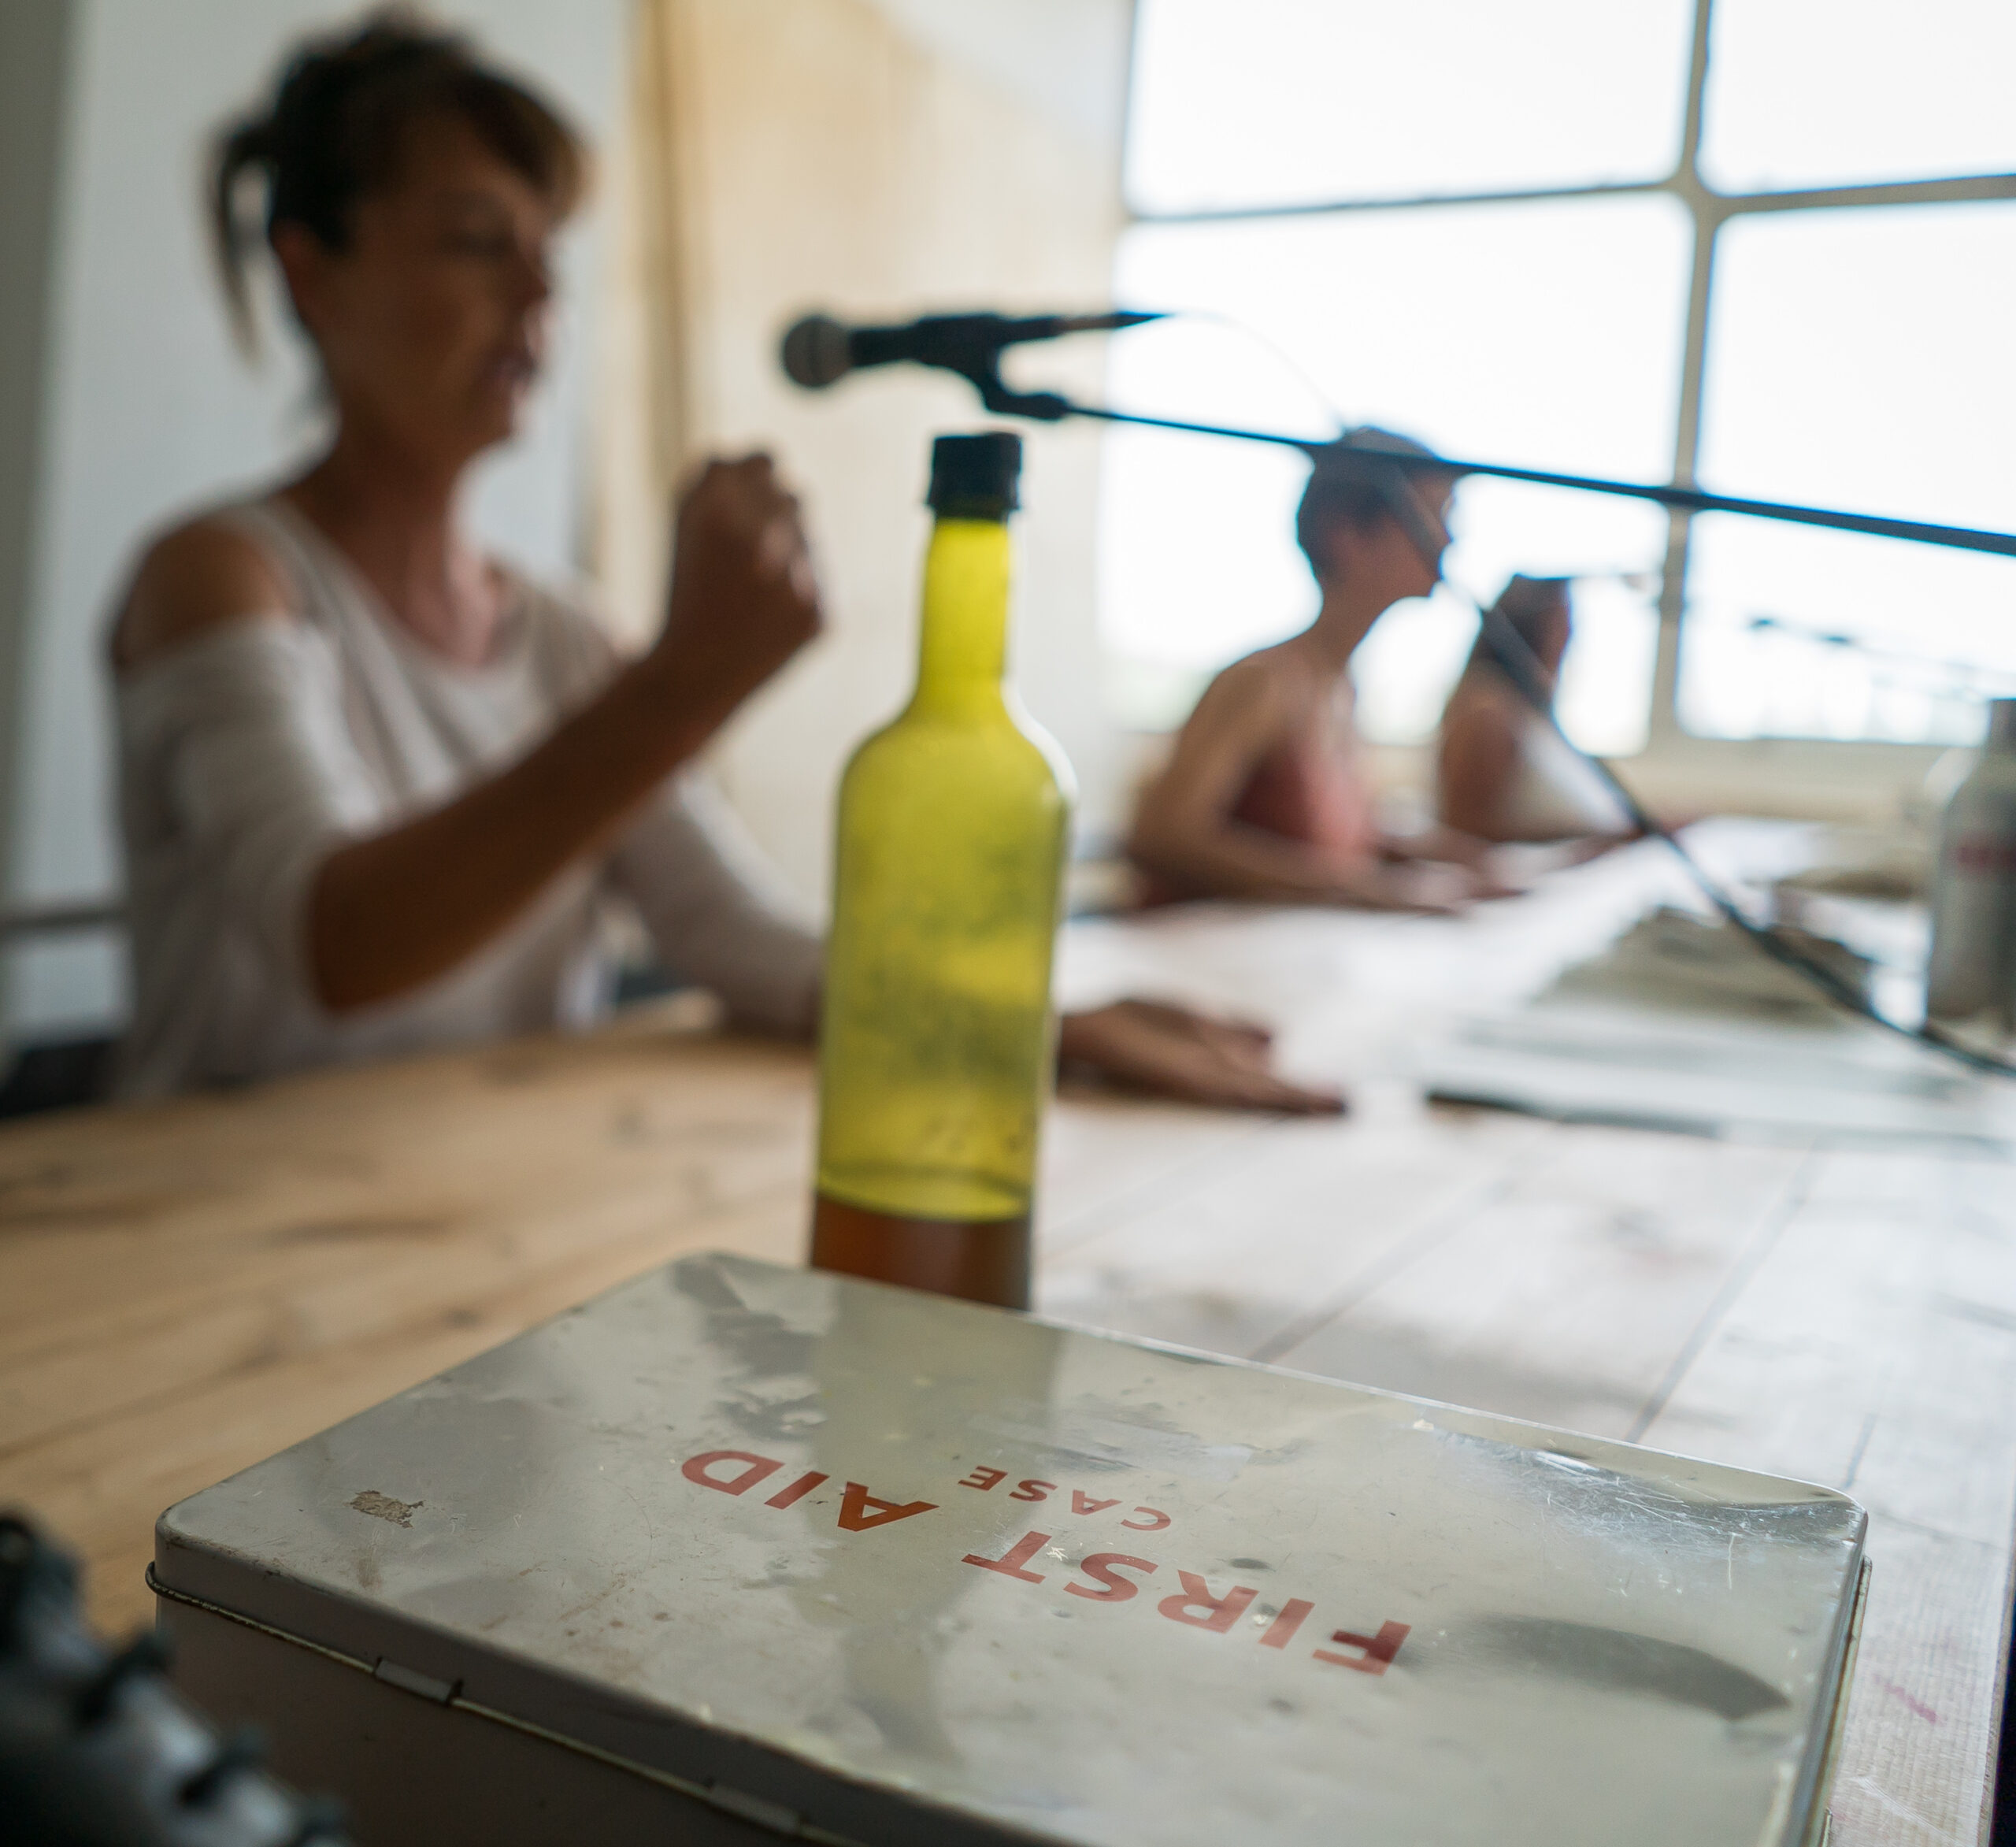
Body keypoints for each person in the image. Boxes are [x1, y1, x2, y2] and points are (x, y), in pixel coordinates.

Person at [108, 16, 1340, 1117]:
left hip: (468, 1206)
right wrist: (682, 683)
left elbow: (733, 931)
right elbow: (339, 945)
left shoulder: (560, 633)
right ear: (308, 271)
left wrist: (1030, 1022)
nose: (540, 291)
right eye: (477, 241)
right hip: (201, 1242)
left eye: (552, 253)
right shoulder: (220, 576)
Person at [1126, 434, 1499, 909]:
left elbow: (1337, 840)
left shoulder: (1341, 684)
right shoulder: (1262, 682)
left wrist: (1476, 864)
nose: (1447, 539)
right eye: (1430, 517)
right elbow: (1161, 837)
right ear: (1345, 533)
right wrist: (1360, 890)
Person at [1435, 575, 1636, 844]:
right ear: (1529, 628)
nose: (1570, 640)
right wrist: (1605, 841)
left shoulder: (1534, 715)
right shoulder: (1488, 712)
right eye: (1562, 626)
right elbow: (1465, 835)